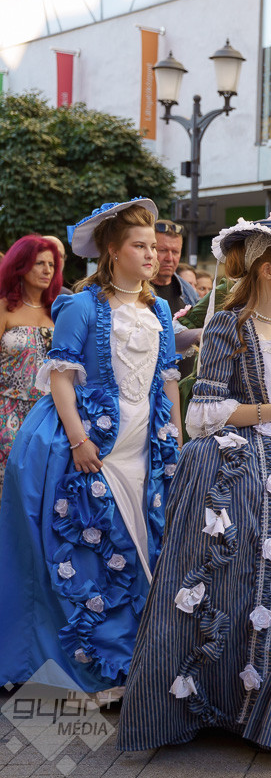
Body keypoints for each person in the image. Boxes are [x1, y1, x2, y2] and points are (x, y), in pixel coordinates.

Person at [116, 212, 271, 751]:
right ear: (266, 269)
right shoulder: (230, 325)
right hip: (244, 473)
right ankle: (235, 705)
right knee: (242, 584)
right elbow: (203, 414)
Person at [0, 198, 182, 694]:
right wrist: (79, 440)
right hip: (91, 447)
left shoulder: (159, 309)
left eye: (153, 246)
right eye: (140, 246)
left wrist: (175, 442)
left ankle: (138, 659)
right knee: (92, 550)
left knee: (144, 545)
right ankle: (96, 666)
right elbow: (60, 377)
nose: (152, 255)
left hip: (145, 447)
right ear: (113, 251)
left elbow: (168, 380)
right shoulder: (80, 306)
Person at [0, 235, 61, 479]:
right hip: (7, 411)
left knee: (41, 486)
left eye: (51, 264)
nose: (47, 270)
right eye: (39, 263)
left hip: (49, 413)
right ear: (21, 265)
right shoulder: (4, 308)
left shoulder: (58, 310)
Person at [149, 219, 199, 315]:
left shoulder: (189, 292)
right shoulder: (135, 289)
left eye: (175, 252)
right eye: (163, 250)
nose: (169, 258)